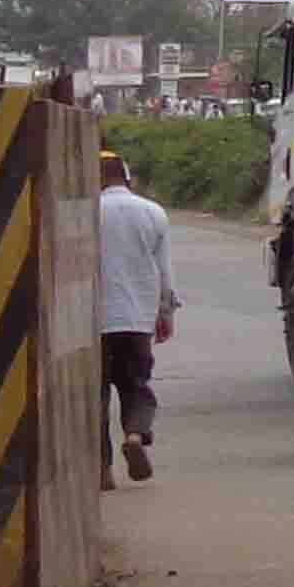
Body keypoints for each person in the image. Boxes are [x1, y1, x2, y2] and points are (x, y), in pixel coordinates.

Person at [93, 152, 176, 483]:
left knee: (95, 396)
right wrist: (165, 312)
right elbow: (164, 271)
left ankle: (102, 469)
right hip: (137, 319)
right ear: (127, 178)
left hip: (93, 323)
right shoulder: (152, 212)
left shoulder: (86, 211)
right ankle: (135, 436)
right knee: (136, 386)